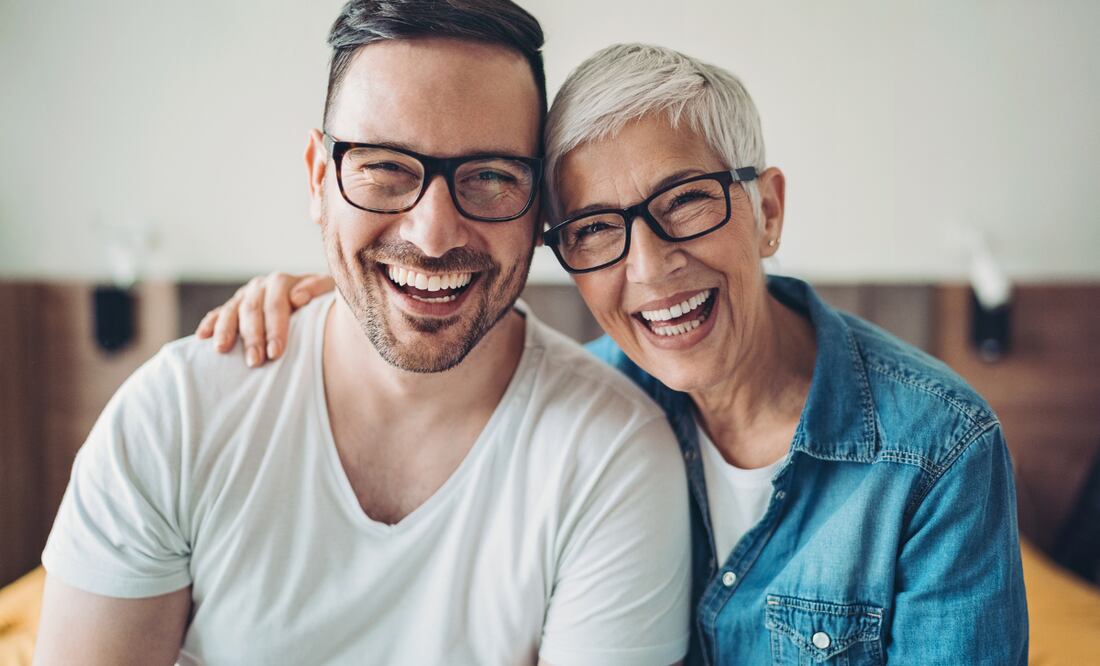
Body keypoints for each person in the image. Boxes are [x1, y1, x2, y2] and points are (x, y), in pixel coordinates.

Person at [210, 43, 1030, 664]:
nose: (649, 267)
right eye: (596, 230)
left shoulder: (938, 452)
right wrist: (331, 302)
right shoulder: (585, 418)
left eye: (686, 202)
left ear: (767, 209)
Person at [34, 3, 694, 664]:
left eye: (491, 177)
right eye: (384, 168)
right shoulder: (177, 415)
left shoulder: (613, 457)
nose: (433, 234)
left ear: (538, 208)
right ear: (320, 178)